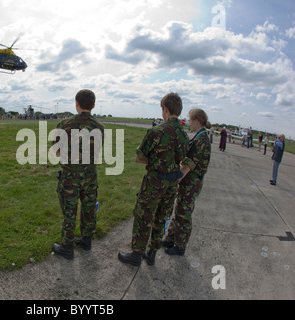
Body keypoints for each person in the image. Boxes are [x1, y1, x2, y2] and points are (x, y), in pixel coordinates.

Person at [118, 93, 189, 267]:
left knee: (144, 217)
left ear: (165, 109)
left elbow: (139, 157)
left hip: (154, 182)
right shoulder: (185, 136)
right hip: (172, 184)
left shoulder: (156, 131)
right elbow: (182, 159)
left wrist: (156, 162)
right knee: (161, 218)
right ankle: (151, 253)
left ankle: (136, 253)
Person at [52, 90, 105, 260]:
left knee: (69, 211)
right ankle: (86, 240)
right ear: (93, 105)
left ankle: (67, 247)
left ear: (76, 103)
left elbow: (56, 150)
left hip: (70, 176)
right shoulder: (100, 127)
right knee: (89, 209)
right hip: (90, 175)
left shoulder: (64, 124)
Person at [162, 109, 212, 256]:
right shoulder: (199, 136)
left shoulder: (201, 140)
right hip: (189, 183)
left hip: (191, 183)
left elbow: (187, 166)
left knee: (184, 213)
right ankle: (170, 238)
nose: (189, 123)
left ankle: (180, 246)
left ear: (196, 121)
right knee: (179, 209)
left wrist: (175, 179)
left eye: (190, 120)